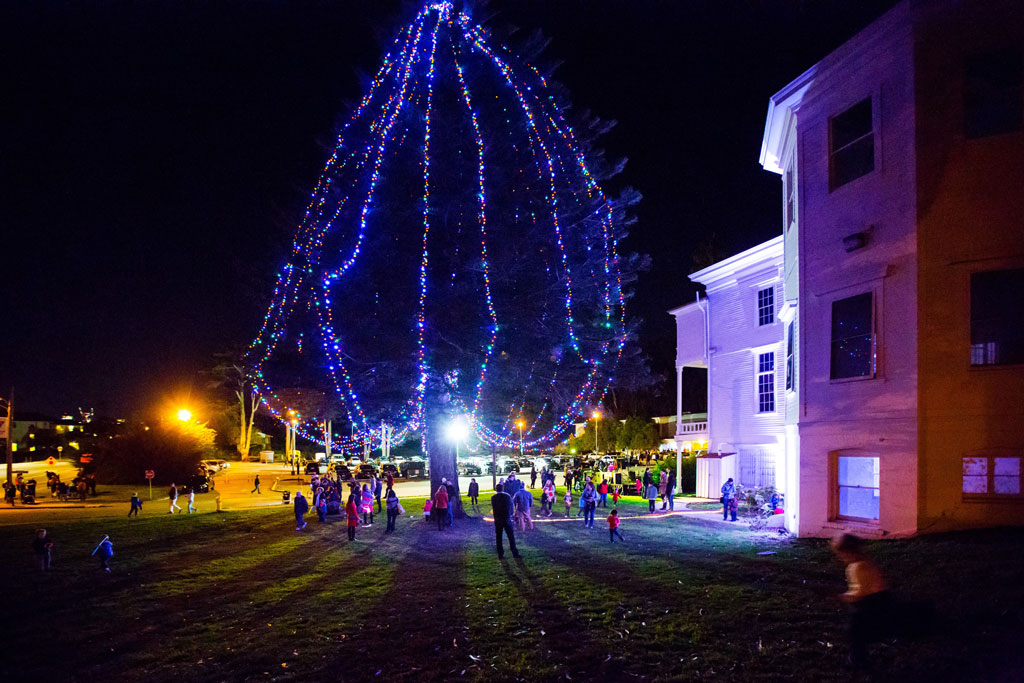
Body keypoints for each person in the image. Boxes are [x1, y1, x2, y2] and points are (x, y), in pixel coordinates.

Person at [832, 533, 896, 670]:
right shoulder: (866, 562)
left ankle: (858, 659)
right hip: (880, 598)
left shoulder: (857, 568)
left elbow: (861, 591)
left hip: (872, 602)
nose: (840, 558)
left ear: (848, 552)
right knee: (863, 629)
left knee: (856, 631)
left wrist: (845, 597)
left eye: (841, 554)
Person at [490, 483, 520, 559]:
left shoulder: (493, 498)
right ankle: (514, 552)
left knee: (498, 537)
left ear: (496, 489)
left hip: (498, 519)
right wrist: (510, 514)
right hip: (506, 518)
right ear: (503, 489)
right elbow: (511, 506)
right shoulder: (507, 496)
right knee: (511, 536)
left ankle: (500, 554)